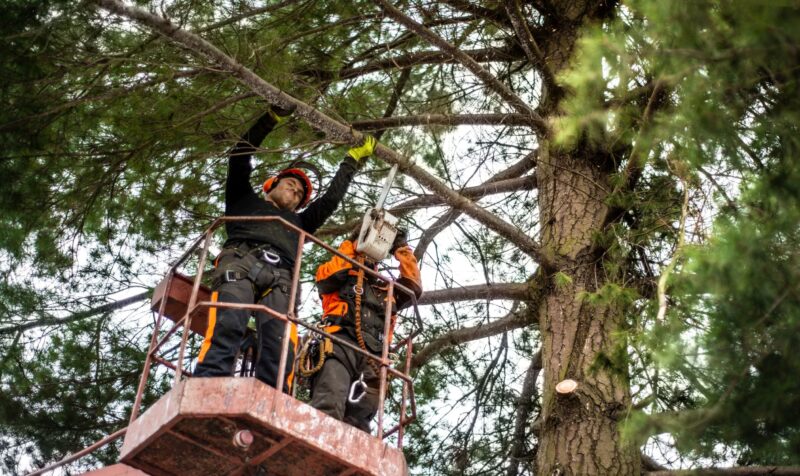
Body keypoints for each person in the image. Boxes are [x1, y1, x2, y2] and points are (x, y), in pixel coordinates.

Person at [194, 104, 376, 392]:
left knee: (280, 341)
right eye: (291, 183)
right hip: (240, 260)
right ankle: (206, 384)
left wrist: (351, 161)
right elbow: (239, 156)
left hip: (281, 276)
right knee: (230, 319)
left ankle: (272, 396)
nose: (295, 191)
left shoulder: (301, 222)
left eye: (300, 194)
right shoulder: (243, 199)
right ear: (271, 185)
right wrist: (270, 118)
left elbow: (329, 201)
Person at [308, 231, 422, 432]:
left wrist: (401, 249)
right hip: (339, 345)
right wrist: (353, 242)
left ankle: (347, 458)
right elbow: (331, 276)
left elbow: (413, 287)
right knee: (330, 401)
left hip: (374, 358)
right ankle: (317, 443)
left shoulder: (387, 289)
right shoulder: (340, 277)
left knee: (361, 420)